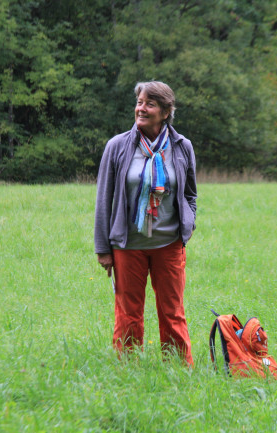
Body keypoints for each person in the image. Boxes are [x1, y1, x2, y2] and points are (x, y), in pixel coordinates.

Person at [94, 81, 197, 366]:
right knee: (128, 313)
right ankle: (129, 370)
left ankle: (178, 370)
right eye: (140, 102)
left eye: (150, 104)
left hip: (170, 244)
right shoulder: (117, 147)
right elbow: (104, 200)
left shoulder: (181, 146)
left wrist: (188, 223)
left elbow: (190, 194)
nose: (141, 108)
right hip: (128, 245)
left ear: (165, 112)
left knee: (172, 311)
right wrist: (103, 248)